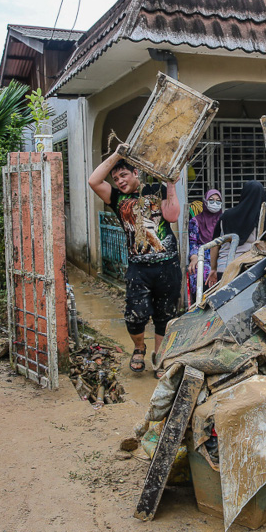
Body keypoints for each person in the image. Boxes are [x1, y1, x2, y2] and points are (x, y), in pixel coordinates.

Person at [88, 146, 180, 376]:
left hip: (168, 265)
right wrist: (118, 156)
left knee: (165, 315)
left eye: (124, 175)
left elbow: (172, 216)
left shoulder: (155, 190)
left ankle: (160, 358)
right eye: (116, 178)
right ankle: (139, 347)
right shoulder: (116, 197)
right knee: (135, 315)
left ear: (135, 173)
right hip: (139, 268)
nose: (119, 181)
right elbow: (93, 180)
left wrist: (171, 185)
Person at [207, 181, 266, 288]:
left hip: (225, 268)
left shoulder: (226, 216)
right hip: (250, 269)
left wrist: (214, 269)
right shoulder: (264, 217)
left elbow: (215, 245)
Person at [188, 189, 223, 299]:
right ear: (205, 202)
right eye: (211, 200)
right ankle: (201, 302)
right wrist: (194, 258)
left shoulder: (224, 220)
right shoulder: (195, 221)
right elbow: (193, 242)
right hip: (203, 255)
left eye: (218, 201)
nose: (215, 203)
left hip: (221, 255)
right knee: (199, 270)